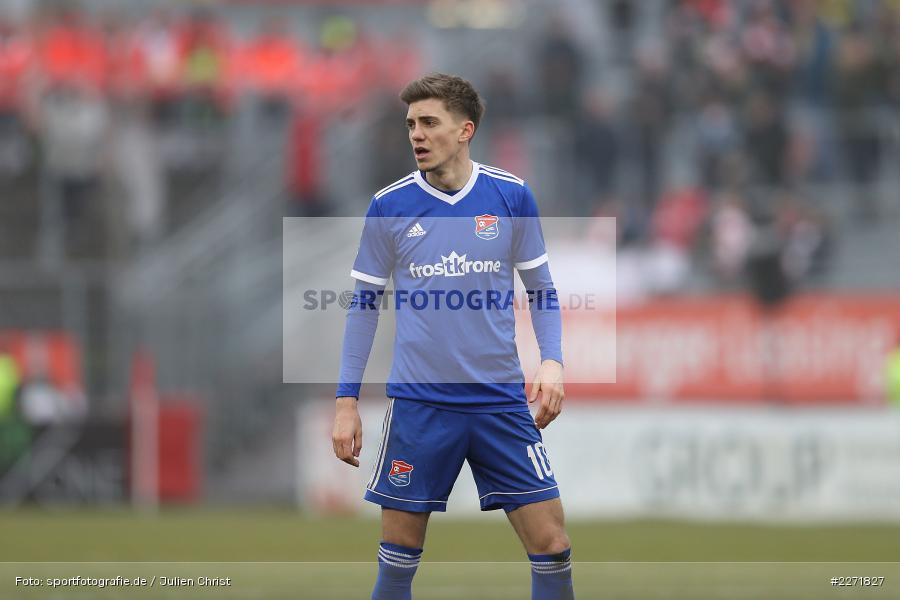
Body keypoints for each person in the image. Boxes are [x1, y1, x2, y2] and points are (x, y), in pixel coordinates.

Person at [332, 73, 574, 600]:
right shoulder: (390, 206)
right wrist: (345, 399)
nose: (416, 134)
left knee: (552, 547)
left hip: (500, 403)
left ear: (465, 130)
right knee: (397, 558)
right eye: (410, 124)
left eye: (429, 123)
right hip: (421, 405)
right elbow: (362, 306)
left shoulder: (510, 196)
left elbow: (543, 290)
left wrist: (552, 361)